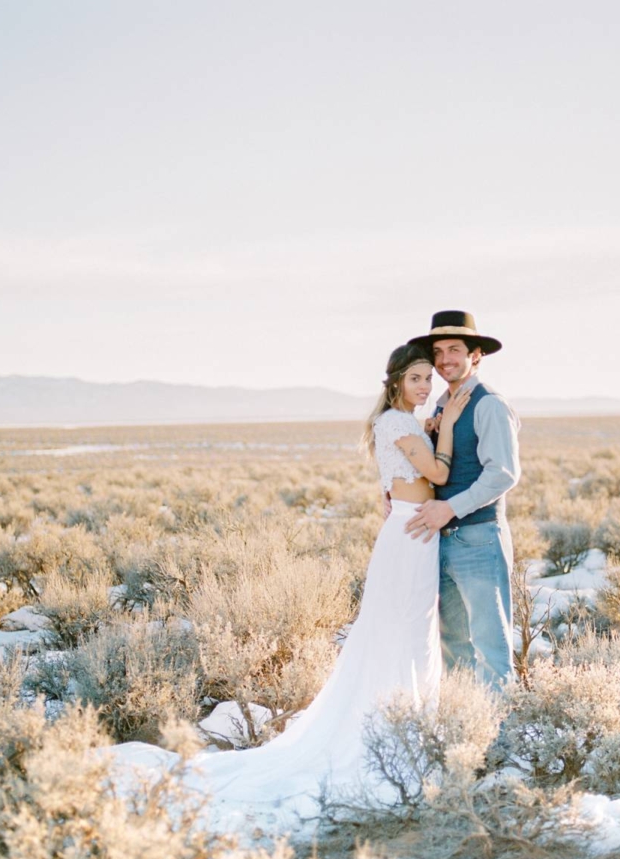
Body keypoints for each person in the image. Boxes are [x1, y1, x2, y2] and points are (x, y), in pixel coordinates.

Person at [189, 343, 471, 815]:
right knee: (404, 632)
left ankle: (410, 723)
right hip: (410, 534)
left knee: (409, 632)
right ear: (397, 380)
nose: (426, 386)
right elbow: (438, 473)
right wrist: (450, 424)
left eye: (430, 379)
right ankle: (398, 730)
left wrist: (429, 429)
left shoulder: (400, 423)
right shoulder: (398, 423)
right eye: (417, 378)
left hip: (410, 529)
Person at [405, 311, 521, 689]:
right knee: (453, 645)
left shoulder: (489, 405)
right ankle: (465, 730)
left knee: (492, 645)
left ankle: (500, 739)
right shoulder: (440, 408)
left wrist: (449, 508)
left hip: (479, 539)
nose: (444, 360)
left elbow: (502, 473)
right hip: (440, 541)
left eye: (454, 349)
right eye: (438, 352)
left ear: (476, 355)